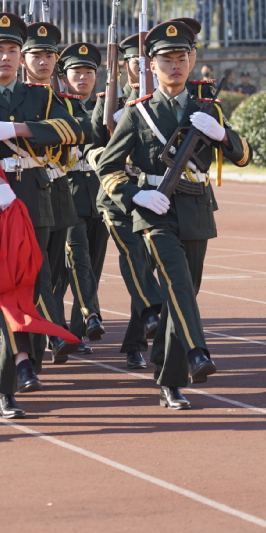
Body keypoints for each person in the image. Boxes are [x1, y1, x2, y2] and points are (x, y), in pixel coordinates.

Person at [97, 19, 251, 410]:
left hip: (196, 209)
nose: (175, 65)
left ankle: (167, 377)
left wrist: (221, 134)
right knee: (178, 282)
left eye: (182, 57)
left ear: (193, 59)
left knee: (182, 295)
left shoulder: (207, 108)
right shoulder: (138, 113)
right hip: (155, 212)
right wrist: (137, 195)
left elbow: (244, 156)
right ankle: (197, 354)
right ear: (151, 65)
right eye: (166, 59)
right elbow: (108, 168)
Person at [0, 12, 85, 419]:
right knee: (5, 286)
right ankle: (14, 376)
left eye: (12, 49)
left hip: (33, 201)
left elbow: (80, 130)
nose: (5, 56)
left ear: (20, 56)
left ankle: (11, 357)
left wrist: (21, 129)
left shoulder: (39, 97)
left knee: (32, 286)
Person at [87, 33, 165, 370]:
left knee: (147, 268)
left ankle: (136, 341)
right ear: (126, 65)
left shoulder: (163, 99)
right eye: (135, 61)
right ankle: (151, 313)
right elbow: (90, 146)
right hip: (116, 195)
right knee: (134, 257)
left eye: (145, 61)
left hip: (155, 194)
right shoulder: (110, 100)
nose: (141, 67)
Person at [19, 20, 83, 364]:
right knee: (37, 269)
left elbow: (78, 131)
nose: (43, 61)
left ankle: (45, 331)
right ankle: (52, 332)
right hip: (24, 191)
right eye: (36, 55)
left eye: (49, 55)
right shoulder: (15, 99)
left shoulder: (62, 101)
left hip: (58, 191)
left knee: (55, 271)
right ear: (23, 58)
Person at [56, 41, 107, 346]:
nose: (84, 77)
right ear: (64, 77)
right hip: (68, 192)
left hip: (99, 196)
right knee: (75, 260)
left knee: (93, 265)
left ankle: (77, 332)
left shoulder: (105, 107)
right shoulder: (56, 106)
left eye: (89, 72)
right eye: (77, 72)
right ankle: (82, 318)